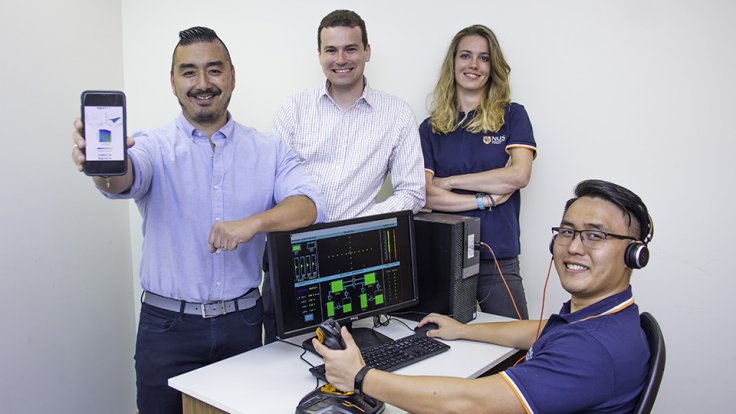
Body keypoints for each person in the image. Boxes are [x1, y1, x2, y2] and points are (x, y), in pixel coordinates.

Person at [70, 27, 325, 414]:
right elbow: (123, 180)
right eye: (189, 72)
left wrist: (252, 223)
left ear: (232, 75)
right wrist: (104, 167)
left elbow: (308, 206)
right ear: (173, 81)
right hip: (167, 330)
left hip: (241, 324)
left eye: (214, 70)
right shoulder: (151, 146)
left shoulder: (269, 149)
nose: (202, 84)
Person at [315, 179, 653, 413]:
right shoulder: (604, 318)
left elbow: (468, 405)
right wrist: (462, 330)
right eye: (567, 232)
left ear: (633, 254)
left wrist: (361, 377)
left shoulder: (592, 349)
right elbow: (547, 328)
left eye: (595, 235)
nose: (574, 247)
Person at [263, 9, 426, 342]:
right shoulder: (293, 109)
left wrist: (359, 227)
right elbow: (272, 183)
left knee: (349, 362)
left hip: (356, 260)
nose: (341, 59)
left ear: (367, 51)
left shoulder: (396, 115)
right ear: (319, 54)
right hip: (294, 256)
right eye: (331, 50)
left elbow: (413, 191)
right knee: (278, 361)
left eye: (350, 49)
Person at [420, 24, 536, 319]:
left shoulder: (512, 116)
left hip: (498, 258)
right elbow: (426, 195)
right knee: (444, 345)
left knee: (516, 347)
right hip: (446, 259)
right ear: (453, 63)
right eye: (465, 56)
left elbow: (519, 175)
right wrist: (485, 199)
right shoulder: (430, 128)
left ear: (492, 66)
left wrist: (451, 181)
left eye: (483, 58)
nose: (473, 65)